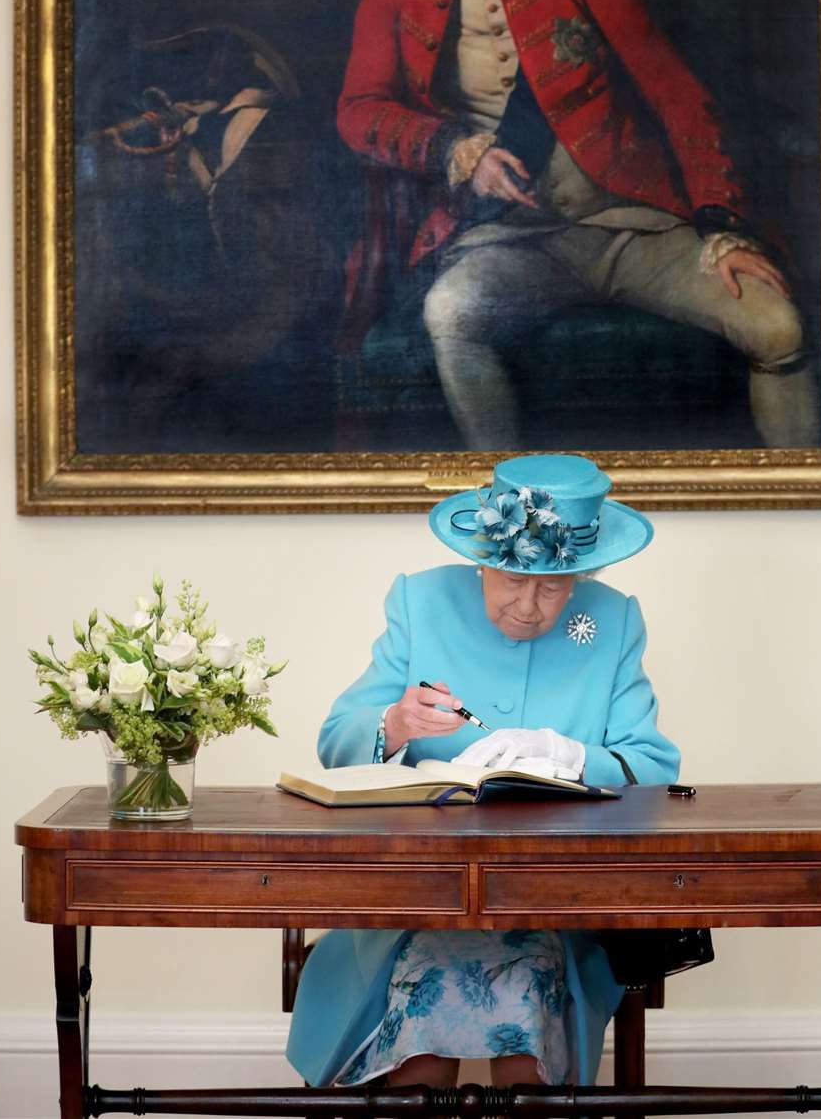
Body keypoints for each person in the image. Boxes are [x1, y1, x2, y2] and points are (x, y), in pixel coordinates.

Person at [337, 0, 817, 451]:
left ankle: (793, 510)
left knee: (778, 326)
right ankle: (510, 521)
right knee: (450, 312)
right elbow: (358, 111)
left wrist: (723, 225)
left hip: (631, 227)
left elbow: (678, 95)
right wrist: (453, 148)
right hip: (507, 240)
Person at [286, 453, 681, 1090]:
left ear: (580, 576)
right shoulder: (421, 599)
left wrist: (570, 753)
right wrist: (396, 722)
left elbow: (655, 765)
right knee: (429, 971)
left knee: (527, 974)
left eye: (551, 587)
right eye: (510, 580)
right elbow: (336, 742)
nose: (527, 606)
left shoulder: (614, 619)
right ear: (482, 558)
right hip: (414, 899)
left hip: (557, 905)